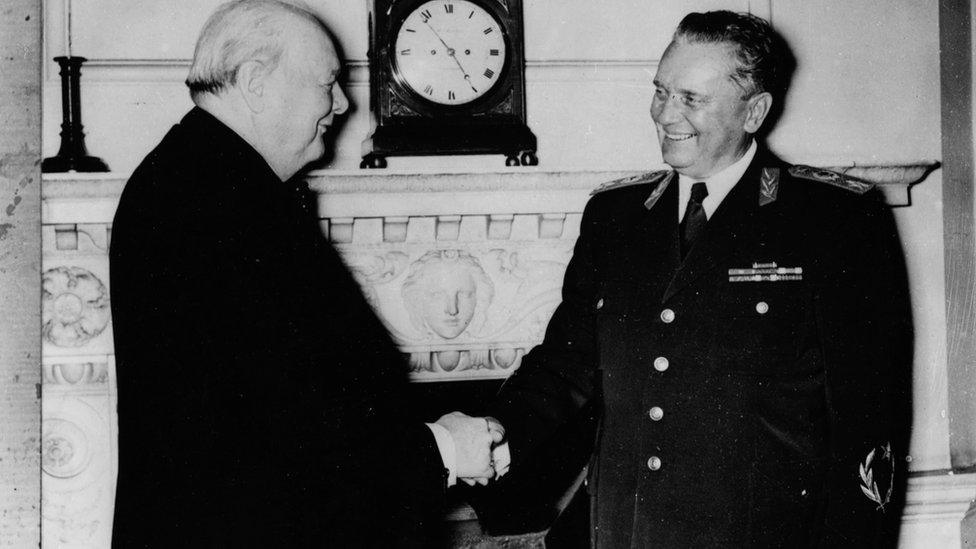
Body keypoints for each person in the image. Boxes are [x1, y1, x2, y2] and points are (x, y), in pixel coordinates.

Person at [468, 10, 913, 547]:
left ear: (755, 111)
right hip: (625, 532)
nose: (665, 114)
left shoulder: (833, 222)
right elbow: (566, 365)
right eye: (661, 91)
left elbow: (868, 422)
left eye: (691, 99)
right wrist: (499, 432)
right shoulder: (616, 216)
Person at [109, 1, 498, 547]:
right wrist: (442, 449)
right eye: (328, 83)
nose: (342, 104)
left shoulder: (211, 181)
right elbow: (293, 432)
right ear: (255, 82)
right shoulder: (214, 204)